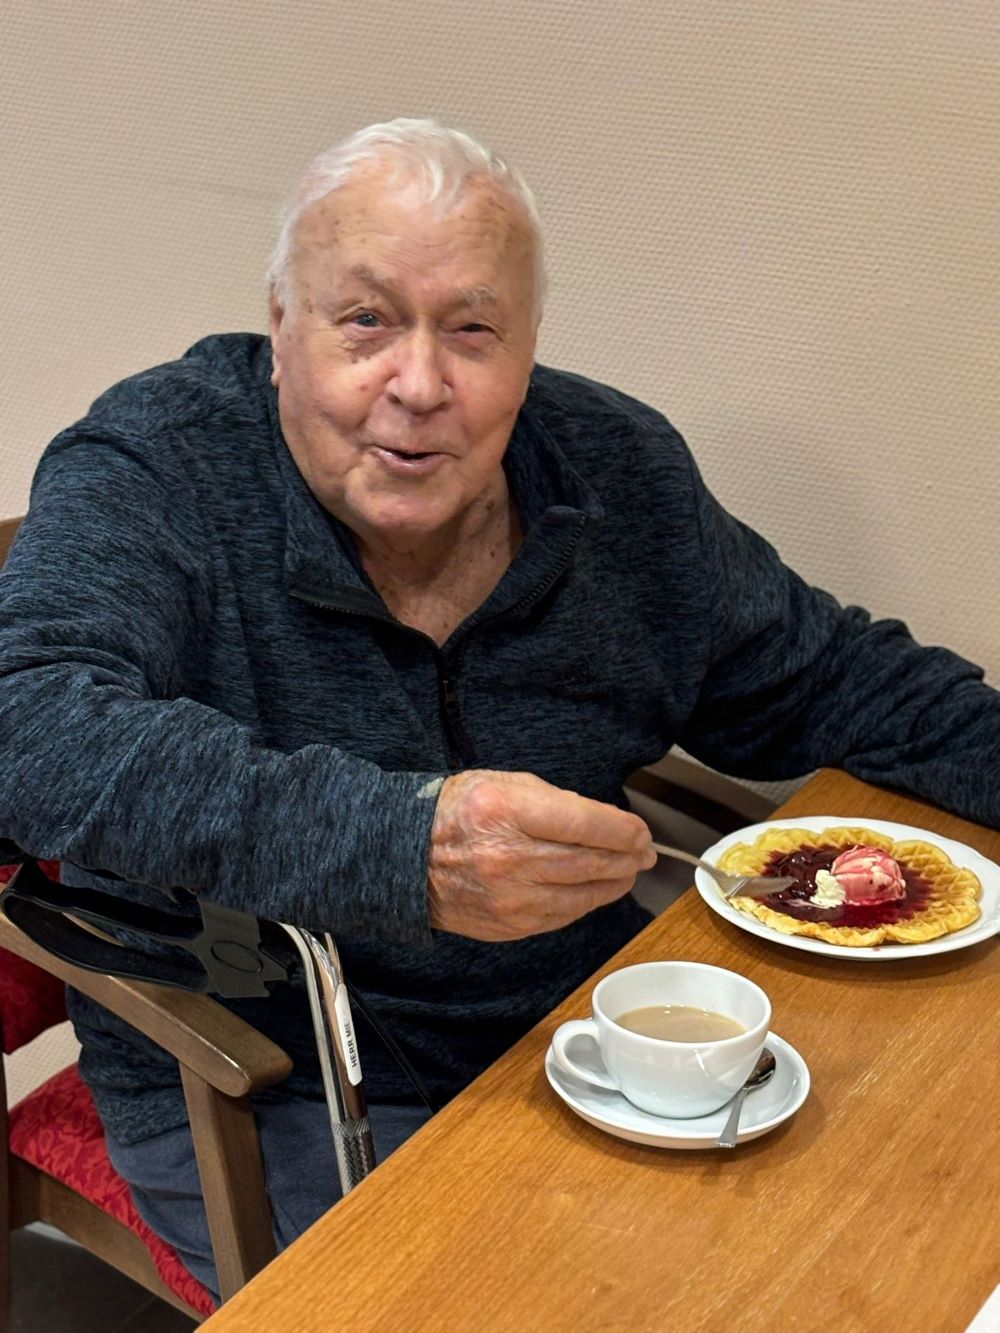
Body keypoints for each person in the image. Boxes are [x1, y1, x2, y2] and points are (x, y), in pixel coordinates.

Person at [1, 117, 997, 1300]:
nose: (418, 386)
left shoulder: (617, 472)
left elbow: (835, 679)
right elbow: (30, 722)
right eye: (364, 320)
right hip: (274, 1075)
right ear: (280, 331)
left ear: (528, 353)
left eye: (472, 330)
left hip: (574, 1027)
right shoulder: (157, 464)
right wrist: (401, 842)